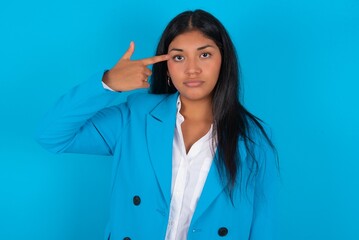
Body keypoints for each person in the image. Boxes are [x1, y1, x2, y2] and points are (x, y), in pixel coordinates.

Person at [36, 9, 279, 240]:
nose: (192, 69)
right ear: (167, 68)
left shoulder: (254, 139)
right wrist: (108, 83)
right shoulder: (136, 115)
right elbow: (51, 135)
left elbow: (262, 227)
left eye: (204, 54)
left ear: (223, 61)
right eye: (179, 57)